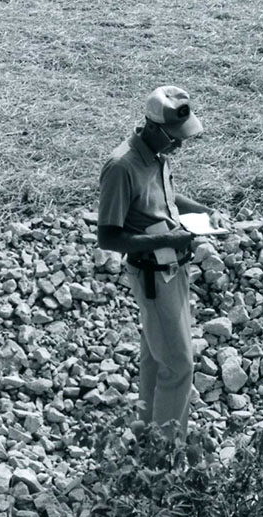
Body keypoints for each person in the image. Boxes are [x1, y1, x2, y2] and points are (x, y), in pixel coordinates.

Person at [97, 85, 224, 443]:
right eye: (174, 138)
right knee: (179, 366)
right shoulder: (121, 167)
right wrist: (167, 240)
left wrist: (204, 212)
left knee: (156, 359)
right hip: (153, 275)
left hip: (174, 269)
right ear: (153, 127)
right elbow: (108, 237)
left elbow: (166, 200)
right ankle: (167, 456)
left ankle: (147, 438)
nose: (179, 145)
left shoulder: (156, 154)